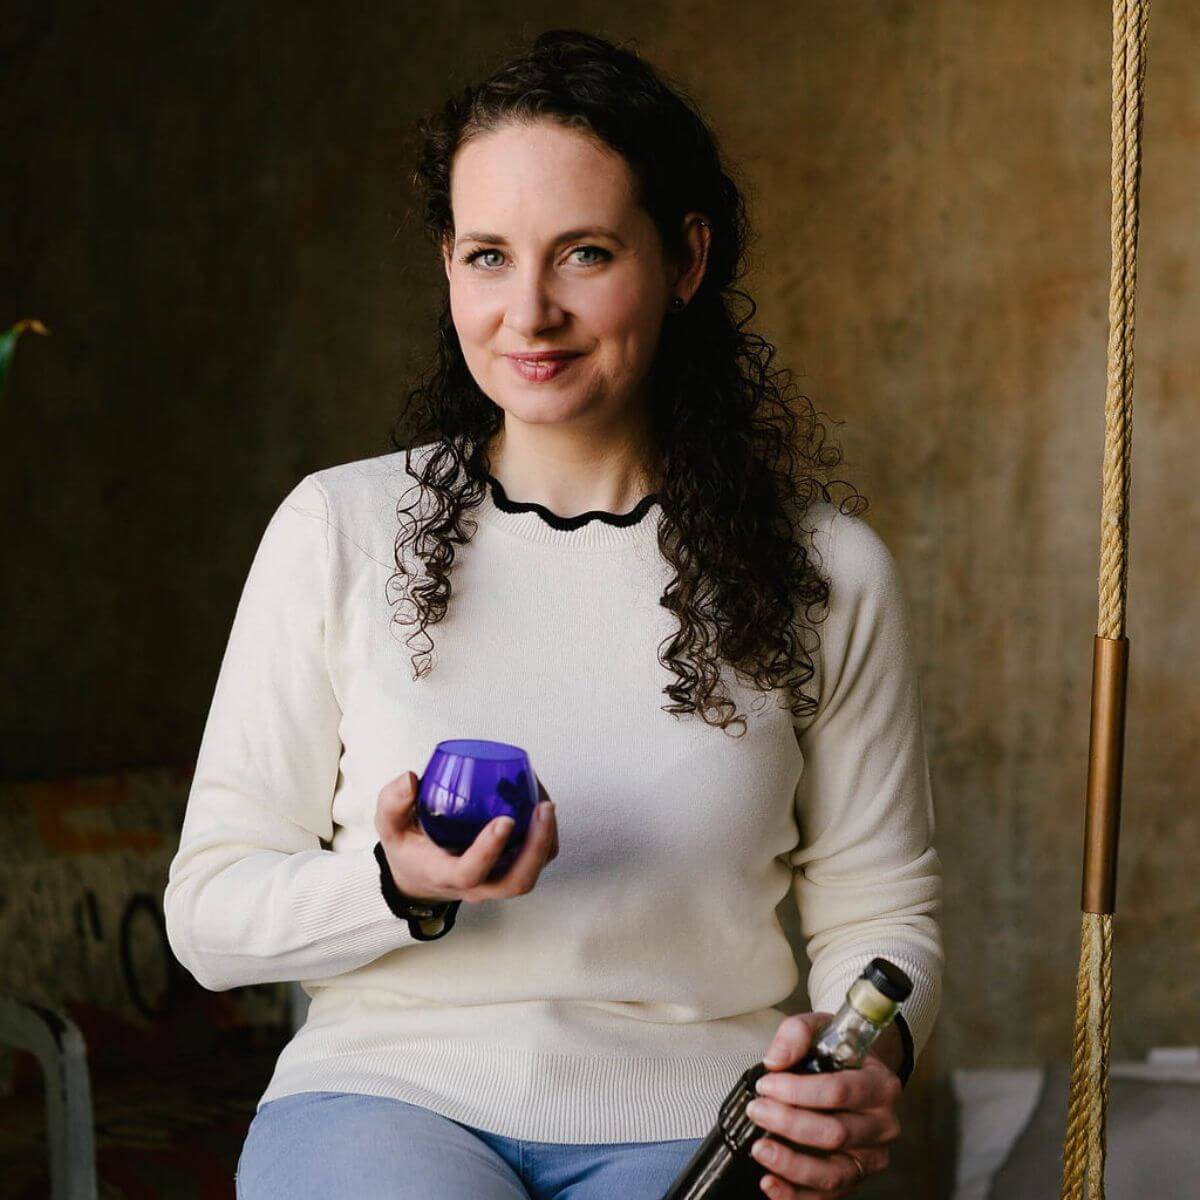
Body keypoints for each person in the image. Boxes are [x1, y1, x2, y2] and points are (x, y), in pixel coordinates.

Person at [164, 27, 942, 1200]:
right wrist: (397, 884)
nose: (528, 312)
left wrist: (858, 1059)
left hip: (698, 1120)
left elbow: (883, 908)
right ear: (446, 263)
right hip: (386, 1095)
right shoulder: (340, 530)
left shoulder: (826, 571)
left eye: (582, 253)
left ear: (684, 260)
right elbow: (210, 916)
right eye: (486, 256)